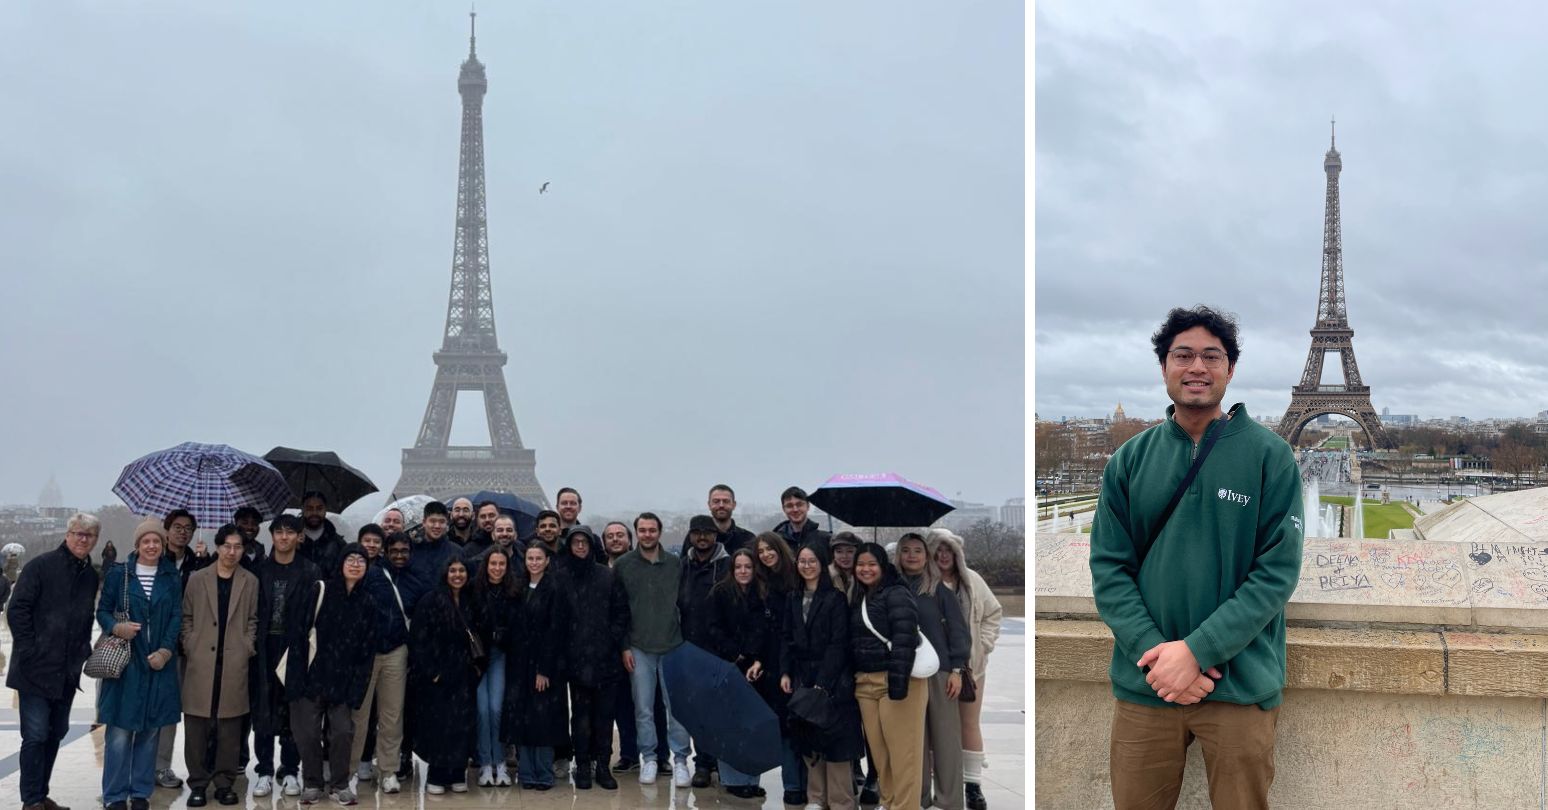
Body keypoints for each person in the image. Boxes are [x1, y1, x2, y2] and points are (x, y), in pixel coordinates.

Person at [1090, 306, 1303, 809]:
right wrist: (1159, 656)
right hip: (1149, 683)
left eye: (1212, 356)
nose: (1197, 367)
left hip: (1236, 686)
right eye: (1183, 355)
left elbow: (1275, 575)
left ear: (1231, 369)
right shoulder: (1129, 459)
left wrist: (1195, 653)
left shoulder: (1271, 456)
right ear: (1164, 366)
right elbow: (1109, 568)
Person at [8, 513, 101, 810]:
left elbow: (85, 617)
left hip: (66, 670)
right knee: (35, 735)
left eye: (89, 535)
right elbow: (17, 609)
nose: (83, 539)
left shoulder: (89, 575)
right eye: (78, 533)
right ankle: (31, 800)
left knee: (55, 733)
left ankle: (40, 793)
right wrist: (29, 649)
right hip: (35, 668)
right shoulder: (40, 566)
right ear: (68, 534)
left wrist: (83, 649)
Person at [96, 519, 183, 810]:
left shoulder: (171, 576)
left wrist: (166, 651)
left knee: (150, 732)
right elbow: (103, 610)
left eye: (156, 541)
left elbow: (176, 617)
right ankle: (115, 795)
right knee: (119, 733)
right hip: (126, 663)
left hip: (157, 664)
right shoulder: (119, 575)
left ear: (163, 544)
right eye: (146, 541)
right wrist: (116, 628)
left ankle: (141, 791)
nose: (151, 545)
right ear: (137, 544)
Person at [286, 544, 379, 806]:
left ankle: (340, 784)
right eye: (350, 558)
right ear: (340, 562)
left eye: (361, 560)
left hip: (343, 681)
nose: (356, 564)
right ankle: (313, 783)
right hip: (311, 677)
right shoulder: (320, 590)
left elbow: (366, 650)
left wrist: (357, 688)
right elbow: (299, 634)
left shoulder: (368, 601)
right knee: (308, 733)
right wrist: (297, 678)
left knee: (342, 732)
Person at [180, 525, 259, 807]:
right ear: (217, 547)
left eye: (238, 547)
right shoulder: (197, 578)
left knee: (229, 728)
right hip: (201, 660)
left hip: (234, 660)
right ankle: (198, 783)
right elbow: (186, 617)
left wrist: (247, 646)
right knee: (198, 726)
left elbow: (253, 620)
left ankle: (225, 783)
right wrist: (190, 644)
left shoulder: (250, 581)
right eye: (227, 546)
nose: (232, 551)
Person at [614, 512, 693, 787]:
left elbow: (686, 605)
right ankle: (648, 757)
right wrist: (624, 646)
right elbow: (619, 611)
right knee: (643, 708)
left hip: (672, 645)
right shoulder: (623, 565)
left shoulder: (675, 564)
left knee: (677, 709)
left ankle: (681, 759)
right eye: (642, 530)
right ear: (636, 533)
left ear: (659, 532)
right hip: (638, 646)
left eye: (652, 530)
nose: (647, 534)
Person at [927, 528, 1003, 810]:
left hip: (971, 668)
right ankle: (940, 783)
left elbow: (993, 613)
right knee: (936, 728)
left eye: (948, 551)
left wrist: (982, 646)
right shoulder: (925, 583)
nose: (943, 556)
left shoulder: (972, 581)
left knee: (969, 723)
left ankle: (973, 784)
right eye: (938, 551)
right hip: (934, 668)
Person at [781, 543, 862, 810]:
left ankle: (840, 800)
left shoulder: (835, 598)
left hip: (833, 680)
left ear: (821, 563)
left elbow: (838, 643)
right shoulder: (793, 597)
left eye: (811, 560)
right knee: (809, 736)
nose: (806, 565)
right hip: (802, 675)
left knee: (835, 741)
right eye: (802, 561)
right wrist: (785, 671)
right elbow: (786, 637)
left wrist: (823, 682)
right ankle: (816, 797)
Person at [897, 532, 971, 810]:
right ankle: (918, 798)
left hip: (941, 673)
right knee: (914, 742)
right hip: (905, 675)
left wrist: (957, 669)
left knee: (946, 741)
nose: (912, 556)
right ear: (898, 556)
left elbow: (958, 632)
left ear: (926, 556)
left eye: (917, 550)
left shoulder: (939, 589)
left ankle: (950, 800)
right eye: (906, 550)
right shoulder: (892, 590)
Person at [850, 542, 927, 810]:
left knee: (904, 757)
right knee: (881, 759)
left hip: (897, 681)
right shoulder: (860, 595)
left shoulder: (896, 593)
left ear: (883, 566)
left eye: (872, 564)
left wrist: (898, 685)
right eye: (861, 564)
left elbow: (905, 639)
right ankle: (891, 803)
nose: (865, 569)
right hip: (866, 683)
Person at [252, 514, 322, 799]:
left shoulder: (310, 571)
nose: (284, 537)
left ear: (299, 536)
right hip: (264, 647)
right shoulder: (258, 570)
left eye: (290, 532)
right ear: (271, 536)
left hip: (296, 649)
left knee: (294, 711)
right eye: (279, 532)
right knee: (264, 711)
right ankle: (265, 771)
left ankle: (291, 769)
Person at [555, 526, 629, 790]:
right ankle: (583, 764)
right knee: (581, 717)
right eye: (575, 542)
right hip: (576, 659)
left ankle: (602, 764)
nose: (580, 547)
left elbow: (621, 612)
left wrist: (611, 638)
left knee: (604, 716)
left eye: (584, 542)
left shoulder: (607, 576)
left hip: (605, 657)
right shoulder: (561, 577)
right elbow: (557, 619)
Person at [706, 549, 779, 799]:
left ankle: (750, 777)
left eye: (748, 566)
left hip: (758, 668)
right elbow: (712, 629)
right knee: (730, 725)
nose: (743, 571)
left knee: (753, 726)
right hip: (728, 665)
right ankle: (732, 779)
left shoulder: (764, 594)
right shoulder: (720, 593)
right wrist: (735, 654)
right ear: (732, 569)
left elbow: (769, 631)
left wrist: (758, 658)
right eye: (738, 567)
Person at [349, 529, 417, 794]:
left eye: (404, 551)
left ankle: (388, 769)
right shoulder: (362, 573)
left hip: (395, 650)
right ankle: (350, 770)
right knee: (360, 715)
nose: (399, 555)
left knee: (392, 714)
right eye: (394, 551)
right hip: (366, 653)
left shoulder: (406, 575)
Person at [408, 557, 481, 794]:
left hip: (465, 674)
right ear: (444, 573)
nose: (457, 575)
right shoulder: (431, 600)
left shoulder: (473, 601)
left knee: (462, 723)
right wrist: (433, 672)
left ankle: (458, 771)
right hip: (437, 674)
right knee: (438, 724)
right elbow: (419, 639)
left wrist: (476, 669)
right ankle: (437, 774)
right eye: (452, 570)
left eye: (461, 570)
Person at [504, 544, 570, 790]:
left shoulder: (555, 588)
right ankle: (526, 771)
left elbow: (555, 630)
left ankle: (543, 771)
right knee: (522, 719)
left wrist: (544, 668)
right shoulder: (518, 586)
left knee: (543, 720)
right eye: (530, 558)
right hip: (519, 663)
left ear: (547, 561)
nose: (533, 562)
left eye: (538, 558)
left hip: (545, 665)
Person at [155, 508, 210, 791]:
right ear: (167, 529)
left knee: (170, 710)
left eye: (188, 527)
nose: (183, 532)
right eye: (177, 527)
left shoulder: (197, 562)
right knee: (146, 707)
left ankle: (161, 766)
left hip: (185, 647)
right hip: (154, 644)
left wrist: (205, 563)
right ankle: (140, 764)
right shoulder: (152, 557)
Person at [678, 514, 732, 788]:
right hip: (690, 648)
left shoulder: (729, 565)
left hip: (721, 649)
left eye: (707, 533)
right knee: (699, 712)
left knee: (720, 712)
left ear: (716, 536)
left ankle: (722, 762)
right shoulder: (682, 565)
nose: (702, 538)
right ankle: (703, 763)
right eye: (697, 532)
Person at [754, 532, 805, 804]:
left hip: (800, 658)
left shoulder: (795, 576)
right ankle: (793, 784)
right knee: (785, 725)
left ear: (779, 549)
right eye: (760, 551)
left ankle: (806, 783)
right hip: (774, 660)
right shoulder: (762, 582)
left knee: (802, 722)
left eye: (769, 549)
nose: (765, 554)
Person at [470, 545, 518, 787]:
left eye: (502, 564)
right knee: (481, 711)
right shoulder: (474, 590)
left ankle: (500, 762)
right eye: (493, 564)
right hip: (478, 658)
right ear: (485, 565)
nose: (497, 568)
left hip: (500, 655)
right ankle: (485, 763)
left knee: (496, 709)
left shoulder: (513, 591)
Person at [680, 484, 756, 556]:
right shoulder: (697, 537)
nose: (721, 505)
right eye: (716, 501)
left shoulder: (747, 539)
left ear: (734, 505)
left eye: (726, 501)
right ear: (709, 505)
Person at [772, 486, 832, 562]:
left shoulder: (824, 540)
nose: (795, 509)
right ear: (784, 509)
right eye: (789, 506)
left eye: (799, 504)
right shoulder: (776, 542)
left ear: (808, 506)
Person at [409, 501, 463, 581]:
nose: (437, 526)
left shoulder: (457, 552)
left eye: (441, 522)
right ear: (424, 522)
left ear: (447, 523)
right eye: (432, 521)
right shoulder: (411, 550)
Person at [298, 492, 347, 575]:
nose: (314, 513)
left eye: (319, 508)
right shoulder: (288, 538)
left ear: (325, 509)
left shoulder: (337, 543)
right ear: (302, 509)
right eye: (309, 508)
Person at [232, 507, 268, 571]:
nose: (250, 527)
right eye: (245, 523)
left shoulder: (260, 552)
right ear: (235, 525)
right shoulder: (225, 553)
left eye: (254, 524)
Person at [829, 531, 860, 600]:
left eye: (850, 551)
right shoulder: (826, 577)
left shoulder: (865, 577)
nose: (844, 556)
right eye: (839, 551)